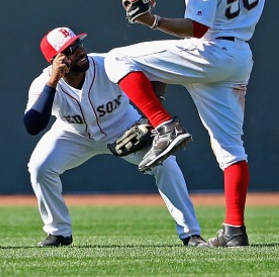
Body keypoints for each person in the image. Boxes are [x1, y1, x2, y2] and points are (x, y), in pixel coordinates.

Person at [104, 0, 279, 247]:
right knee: (231, 150)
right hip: (239, 58)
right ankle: (235, 230)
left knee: (119, 59)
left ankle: (163, 126)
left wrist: (153, 20)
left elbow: (196, 29)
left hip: (209, 51)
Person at [24, 27, 206, 247]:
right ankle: (59, 232)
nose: (80, 51)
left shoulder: (106, 64)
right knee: (39, 167)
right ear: (56, 61)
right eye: (70, 50)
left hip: (124, 125)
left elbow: (157, 73)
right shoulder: (43, 83)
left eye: (79, 44)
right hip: (73, 134)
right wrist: (52, 82)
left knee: (165, 162)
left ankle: (191, 233)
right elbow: (33, 126)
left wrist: (150, 120)